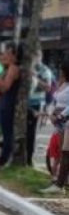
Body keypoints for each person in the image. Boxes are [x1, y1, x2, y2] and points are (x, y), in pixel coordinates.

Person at [0, 43, 22, 167]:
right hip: (4, 101)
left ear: (15, 55)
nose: (6, 56)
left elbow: (5, 86)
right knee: (4, 131)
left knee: (7, 132)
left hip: (9, 102)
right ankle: (2, 158)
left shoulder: (13, 68)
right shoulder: (8, 68)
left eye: (8, 54)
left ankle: (3, 160)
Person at [41, 59, 69, 194]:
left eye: (61, 69)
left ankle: (60, 184)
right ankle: (60, 182)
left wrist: (60, 116)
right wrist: (53, 114)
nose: (60, 72)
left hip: (64, 121)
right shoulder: (63, 84)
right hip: (60, 122)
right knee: (62, 151)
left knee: (65, 152)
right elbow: (55, 100)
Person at [28, 50, 53, 167]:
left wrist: (35, 78)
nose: (34, 58)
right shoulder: (28, 67)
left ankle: (29, 158)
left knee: (31, 131)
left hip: (36, 103)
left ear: (40, 56)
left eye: (36, 56)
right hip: (24, 103)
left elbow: (48, 87)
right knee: (23, 131)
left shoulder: (44, 70)